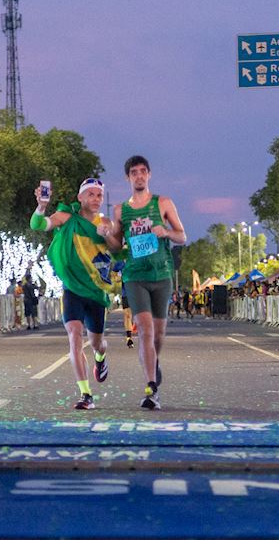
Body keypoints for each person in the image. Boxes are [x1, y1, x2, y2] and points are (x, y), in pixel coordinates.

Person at [104, 155, 188, 409]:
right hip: (135, 275)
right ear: (128, 177)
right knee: (146, 331)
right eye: (134, 172)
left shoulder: (162, 203)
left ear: (149, 174)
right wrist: (108, 234)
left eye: (143, 171)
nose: (139, 176)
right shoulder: (121, 210)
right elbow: (117, 246)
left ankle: (154, 364)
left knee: (159, 334)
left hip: (162, 274)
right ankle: (151, 388)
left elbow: (182, 236)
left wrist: (166, 232)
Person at [31, 178, 121, 410]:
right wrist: (41, 206)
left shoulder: (106, 222)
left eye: (99, 195)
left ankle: (100, 357)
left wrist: (107, 235)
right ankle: (85, 394)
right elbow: (38, 225)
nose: (96, 199)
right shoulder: (67, 218)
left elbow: (117, 250)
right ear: (80, 197)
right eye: (90, 194)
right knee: (74, 334)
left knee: (96, 343)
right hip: (72, 288)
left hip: (96, 291)